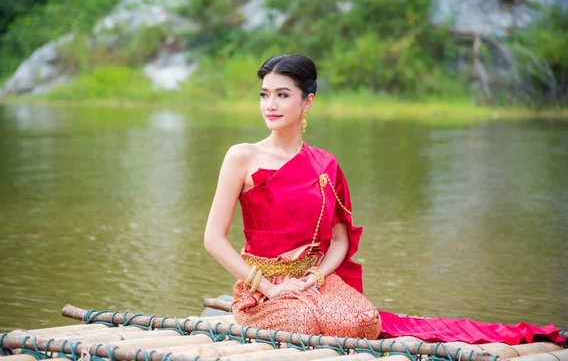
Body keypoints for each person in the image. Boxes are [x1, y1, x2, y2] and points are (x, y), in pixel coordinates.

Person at [204, 54, 565, 345]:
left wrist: (314, 278)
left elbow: (341, 240)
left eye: (282, 94)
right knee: (299, 321)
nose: (270, 104)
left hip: (313, 281)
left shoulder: (324, 164)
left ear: (307, 101)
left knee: (363, 321)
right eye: (265, 94)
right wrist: (267, 286)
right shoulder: (242, 156)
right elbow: (213, 239)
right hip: (261, 287)